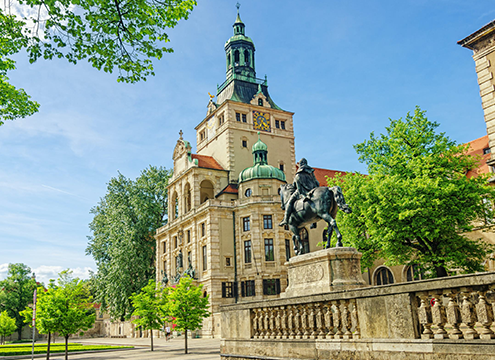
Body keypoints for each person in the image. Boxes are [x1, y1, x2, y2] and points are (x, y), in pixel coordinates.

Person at [279, 158, 320, 227]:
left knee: (290, 202)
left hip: (302, 191)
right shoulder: (311, 172)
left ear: (300, 164)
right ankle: (313, 222)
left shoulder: (299, 173)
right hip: (313, 190)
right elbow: (317, 182)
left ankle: (285, 219)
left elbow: (295, 185)